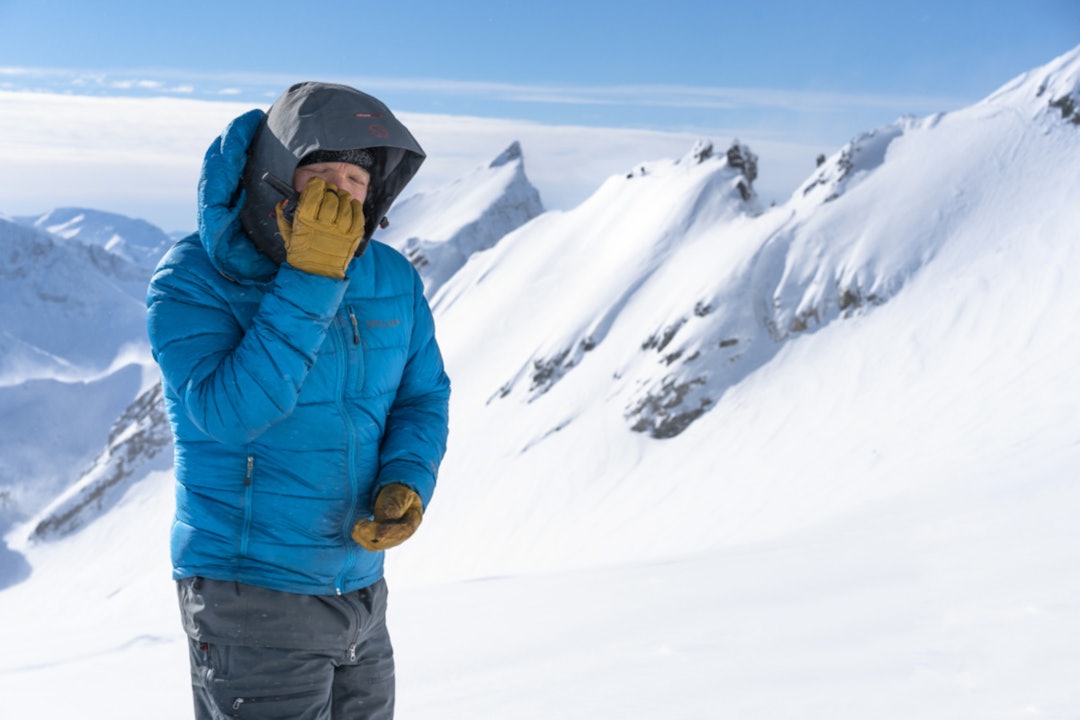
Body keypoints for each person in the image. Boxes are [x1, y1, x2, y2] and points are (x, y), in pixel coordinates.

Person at [146, 81, 451, 719]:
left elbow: (421, 396)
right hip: (248, 594)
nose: (341, 192)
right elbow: (232, 414)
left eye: (356, 177)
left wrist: (407, 477)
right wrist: (311, 277)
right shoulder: (193, 278)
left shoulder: (391, 276)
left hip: (360, 591)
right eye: (320, 173)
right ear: (276, 179)